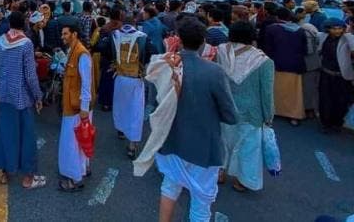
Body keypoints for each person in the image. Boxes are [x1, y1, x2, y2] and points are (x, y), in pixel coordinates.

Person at [156, 18, 238, 222]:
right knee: (201, 200)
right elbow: (230, 114)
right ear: (203, 42)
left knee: (169, 187)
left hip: (172, 139)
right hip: (204, 145)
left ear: (179, 40)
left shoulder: (165, 66)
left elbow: (155, 103)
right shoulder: (214, 72)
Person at [217, 22, 274, 192]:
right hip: (251, 110)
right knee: (249, 147)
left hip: (223, 105)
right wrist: (268, 115)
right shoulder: (263, 61)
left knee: (222, 141)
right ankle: (244, 181)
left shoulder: (220, 51)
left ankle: (219, 171)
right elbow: (267, 92)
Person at [0, 11, 46, 189]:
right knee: (27, 135)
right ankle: (28, 177)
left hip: (3, 93)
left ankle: (6, 173)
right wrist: (38, 96)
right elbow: (30, 76)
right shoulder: (26, 44)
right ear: (23, 23)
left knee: (5, 133)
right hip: (22, 96)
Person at [99, 20, 152, 158]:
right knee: (136, 110)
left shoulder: (114, 35)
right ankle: (132, 145)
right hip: (136, 78)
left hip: (120, 76)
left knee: (120, 106)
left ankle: (121, 129)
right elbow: (153, 53)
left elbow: (102, 49)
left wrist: (113, 62)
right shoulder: (143, 37)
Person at [58, 23, 95, 192]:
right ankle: (82, 169)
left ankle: (74, 178)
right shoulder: (73, 51)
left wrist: (84, 108)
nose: (63, 37)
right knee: (79, 140)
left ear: (74, 34)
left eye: (66, 33)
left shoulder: (82, 54)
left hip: (77, 106)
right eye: (62, 34)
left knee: (71, 143)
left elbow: (87, 82)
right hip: (74, 104)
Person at [264, 8, 308, 126]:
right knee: (294, 92)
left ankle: (274, 111)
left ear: (277, 17)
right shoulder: (300, 30)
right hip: (295, 64)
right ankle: (294, 115)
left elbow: (267, 48)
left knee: (275, 89)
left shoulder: (271, 29)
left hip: (276, 63)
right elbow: (305, 49)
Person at [317, 18, 354, 133]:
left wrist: (348, 34)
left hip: (342, 76)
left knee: (341, 101)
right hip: (326, 74)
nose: (337, 31)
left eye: (340, 28)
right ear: (329, 29)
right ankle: (326, 123)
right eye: (334, 28)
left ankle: (337, 122)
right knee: (325, 100)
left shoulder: (347, 38)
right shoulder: (323, 36)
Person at [96, 6, 124, 111]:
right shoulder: (122, 27)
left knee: (106, 80)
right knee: (117, 81)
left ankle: (105, 102)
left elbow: (100, 45)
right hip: (120, 59)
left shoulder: (105, 28)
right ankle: (116, 102)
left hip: (107, 58)